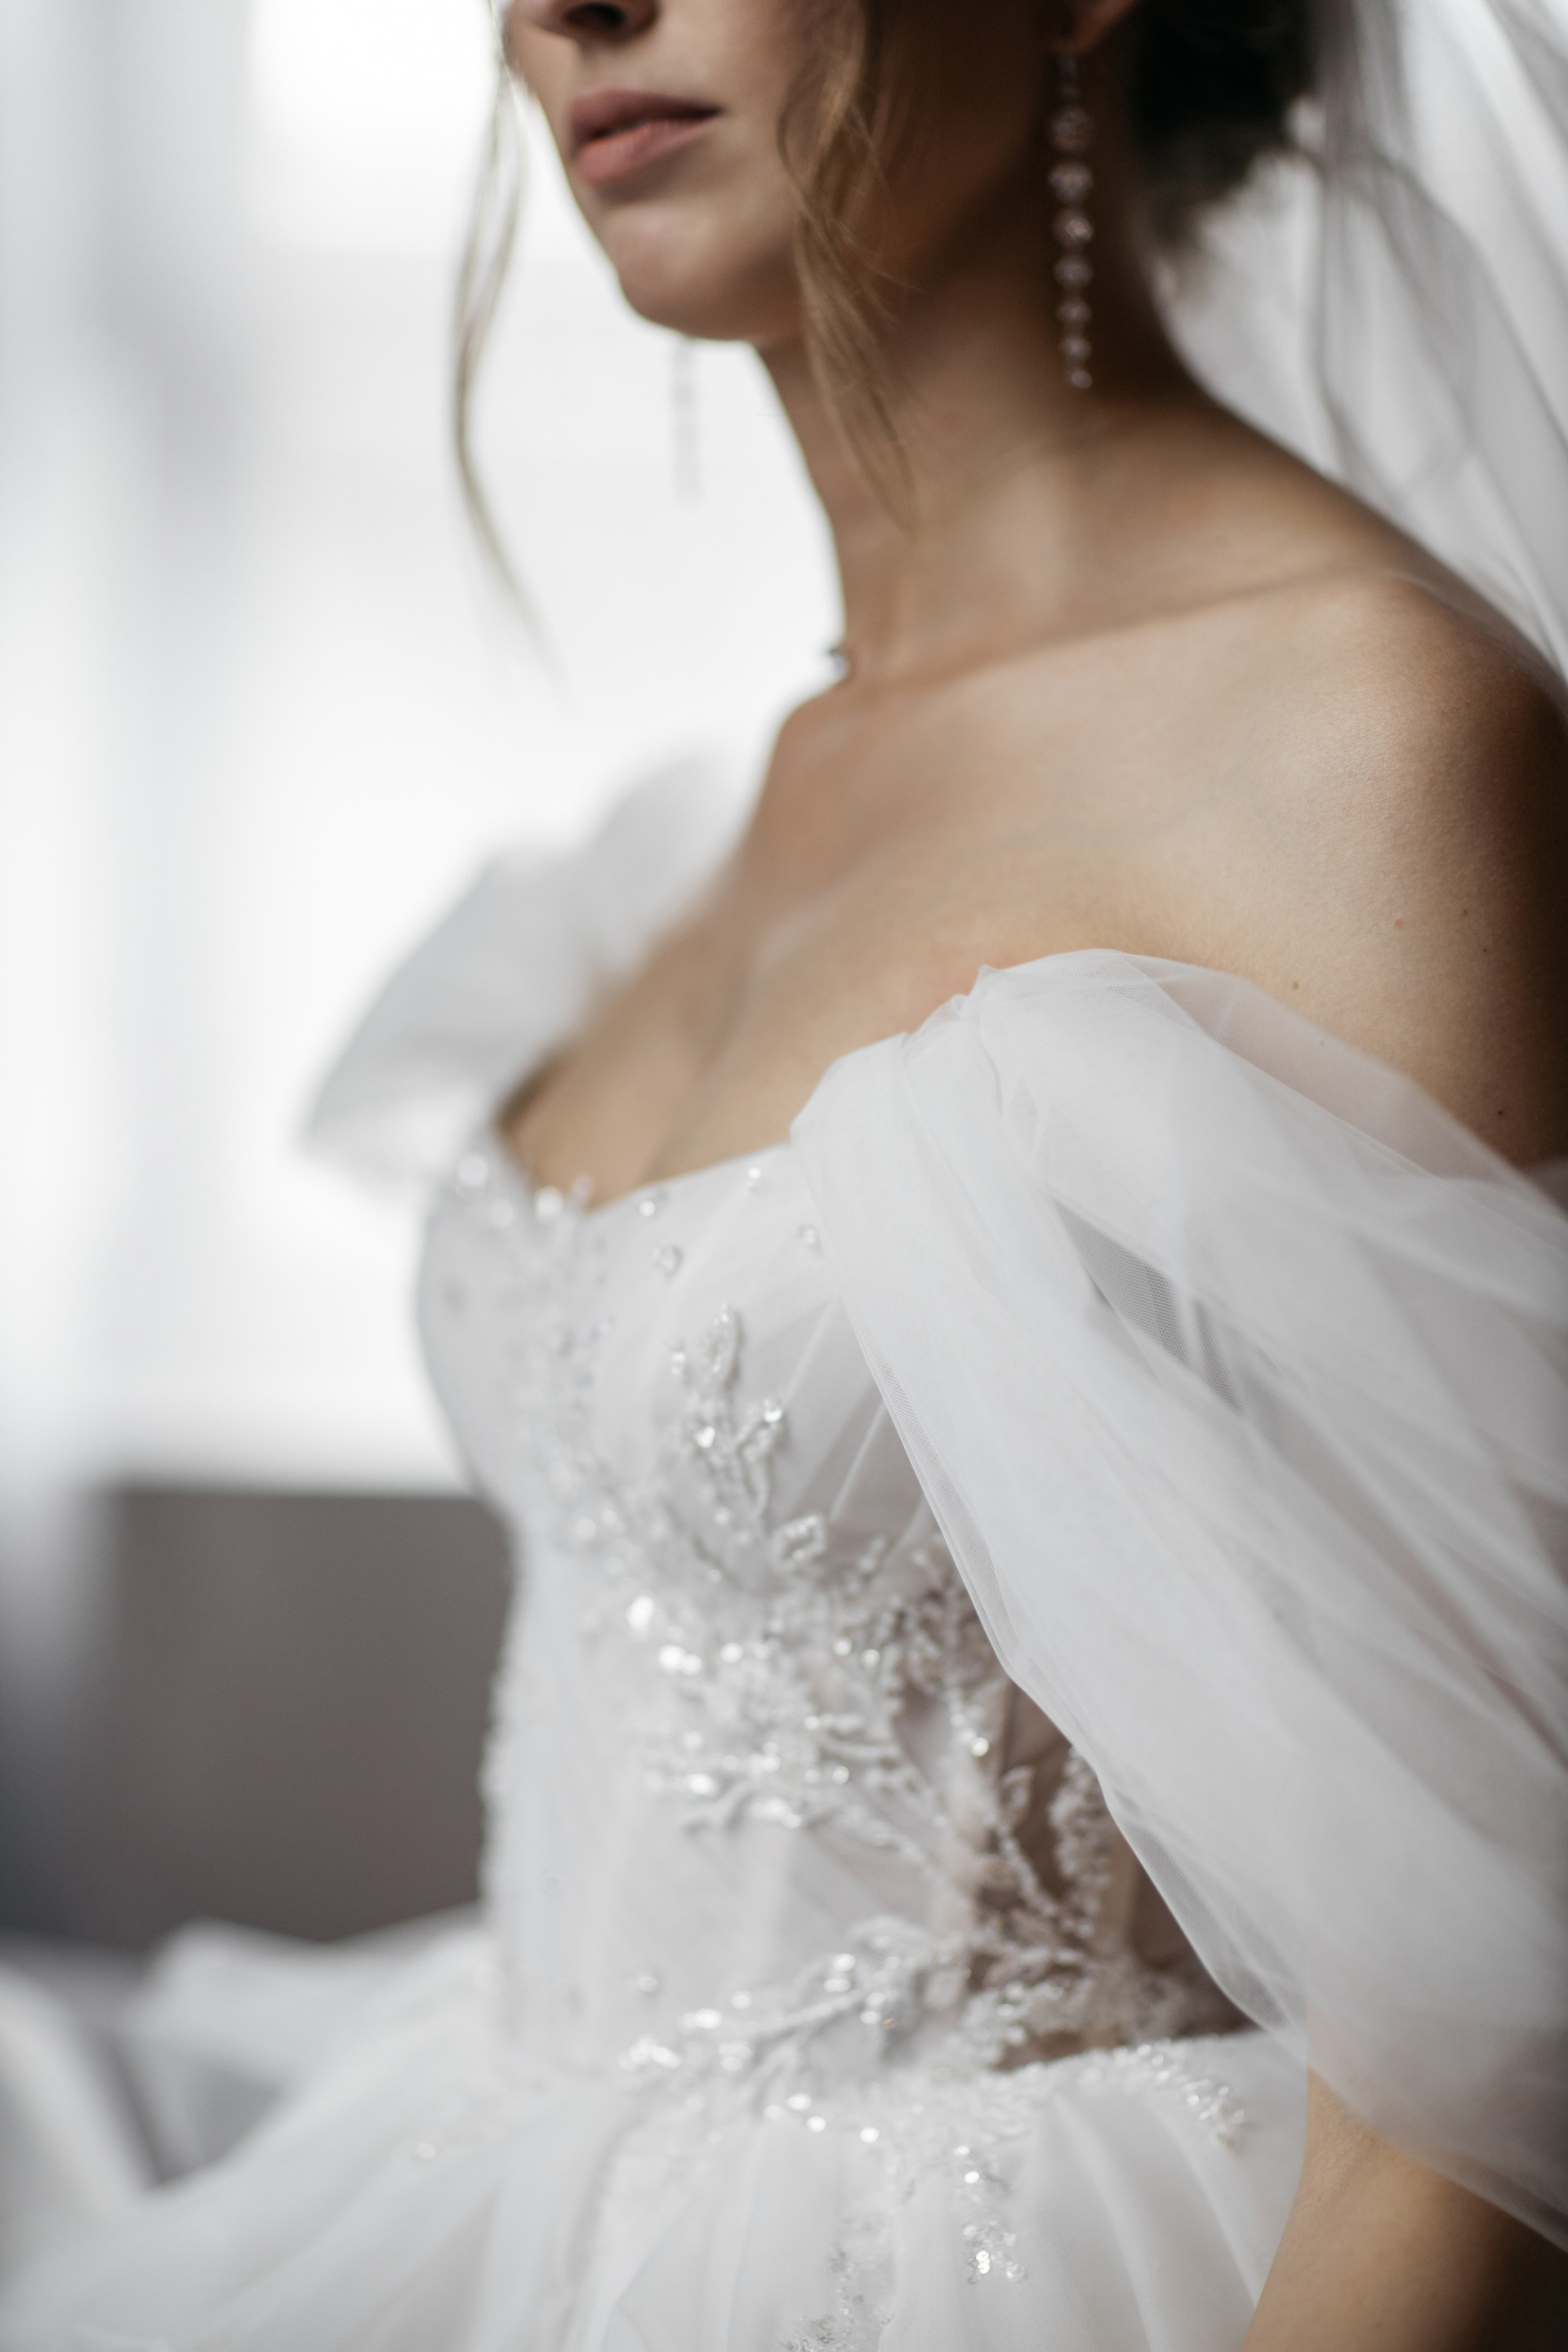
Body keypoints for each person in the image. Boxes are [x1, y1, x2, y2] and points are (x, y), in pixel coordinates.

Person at [2, 0, 1566, 2344]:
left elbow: (1475, 2074)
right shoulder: (745, 798)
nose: (570, 11)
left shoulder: (1359, 740)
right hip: (494, 2197)